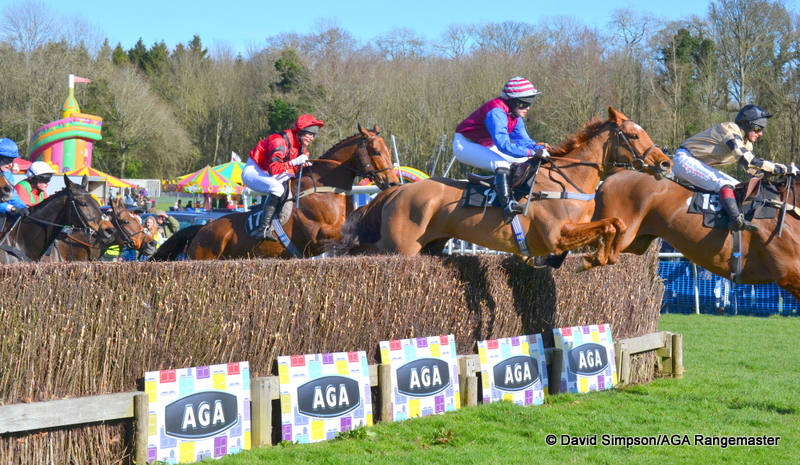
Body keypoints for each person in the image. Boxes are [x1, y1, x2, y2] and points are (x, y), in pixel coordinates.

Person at [673, 104, 797, 232]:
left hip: (698, 163)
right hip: (685, 160)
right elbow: (747, 160)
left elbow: (752, 170)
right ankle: (735, 221)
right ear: (746, 123)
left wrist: (778, 176)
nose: (760, 134)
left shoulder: (746, 143)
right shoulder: (730, 129)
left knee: (737, 186)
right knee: (723, 183)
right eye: (757, 128)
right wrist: (785, 169)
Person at [453, 77, 549, 224]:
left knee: (528, 161)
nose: (528, 107)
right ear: (510, 100)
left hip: (486, 144)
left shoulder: (515, 115)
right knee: (501, 164)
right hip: (465, 144)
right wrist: (532, 152)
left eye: (530, 103)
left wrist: (538, 148)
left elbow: (523, 140)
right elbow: (503, 145)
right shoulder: (496, 111)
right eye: (523, 103)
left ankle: (520, 195)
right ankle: (507, 207)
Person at [242, 114, 325, 239]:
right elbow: (273, 169)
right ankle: (263, 228)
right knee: (277, 189)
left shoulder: (301, 146)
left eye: (314, 135)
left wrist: (303, 166)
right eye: (309, 134)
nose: (312, 138)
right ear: (300, 131)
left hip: (268, 173)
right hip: (254, 171)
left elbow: (292, 170)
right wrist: (295, 162)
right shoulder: (279, 140)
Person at [0, 138, 30, 217]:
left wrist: (23, 207)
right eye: (7, 160)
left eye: (12, 160)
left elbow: (12, 195)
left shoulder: (7, 174)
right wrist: (11, 208)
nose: (10, 165)